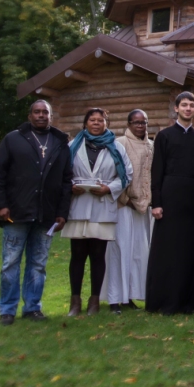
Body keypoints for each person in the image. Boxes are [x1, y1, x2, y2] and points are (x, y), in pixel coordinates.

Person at [0, 100, 73, 325]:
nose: (41, 115)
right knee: (10, 262)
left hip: (47, 214)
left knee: (38, 263)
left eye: (45, 112)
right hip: (16, 211)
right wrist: (0, 204)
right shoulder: (13, 139)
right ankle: (7, 309)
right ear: (29, 116)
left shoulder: (59, 142)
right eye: (37, 112)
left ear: (51, 116)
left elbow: (67, 180)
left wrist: (62, 212)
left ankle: (33, 307)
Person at [61, 108, 134, 317]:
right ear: (85, 124)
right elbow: (63, 173)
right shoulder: (72, 147)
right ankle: (75, 301)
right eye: (92, 120)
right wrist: (71, 186)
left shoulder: (116, 148)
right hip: (79, 206)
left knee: (98, 255)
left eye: (100, 120)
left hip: (102, 207)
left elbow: (127, 174)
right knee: (77, 255)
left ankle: (94, 301)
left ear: (106, 124)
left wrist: (109, 188)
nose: (96, 123)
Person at [145, 92, 194, 314]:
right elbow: (156, 171)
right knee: (167, 251)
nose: (188, 108)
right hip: (168, 199)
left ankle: (186, 302)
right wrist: (156, 202)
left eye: (192, 105)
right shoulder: (165, 136)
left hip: (191, 200)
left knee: (188, 252)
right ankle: (163, 301)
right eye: (184, 105)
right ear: (176, 109)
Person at [104, 109, 154, 315]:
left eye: (144, 122)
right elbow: (113, 173)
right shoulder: (120, 143)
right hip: (124, 206)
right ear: (129, 124)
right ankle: (115, 298)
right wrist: (126, 199)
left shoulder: (152, 145)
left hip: (144, 208)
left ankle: (129, 297)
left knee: (138, 254)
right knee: (119, 252)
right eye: (136, 122)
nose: (141, 126)